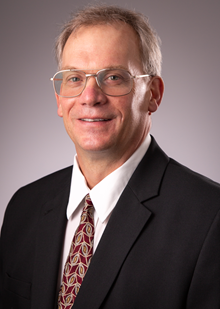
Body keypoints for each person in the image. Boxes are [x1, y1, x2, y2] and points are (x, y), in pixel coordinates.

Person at [0, 5, 220, 309]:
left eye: (114, 77)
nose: (90, 97)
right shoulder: (23, 207)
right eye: (74, 78)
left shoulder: (210, 218)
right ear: (59, 100)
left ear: (153, 94)